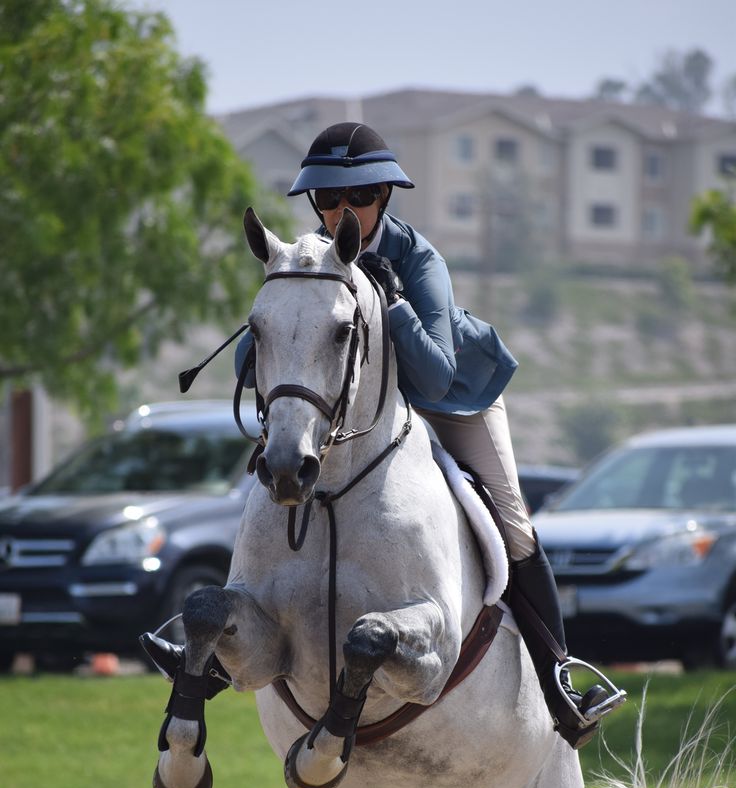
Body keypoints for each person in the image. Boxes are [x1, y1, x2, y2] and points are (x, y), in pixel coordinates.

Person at [143, 122, 625, 749]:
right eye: (328, 200)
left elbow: (433, 376)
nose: (343, 211)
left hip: (452, 399)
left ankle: (559, 679)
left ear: (384, 199)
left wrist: (393, 306)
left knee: (511, 521)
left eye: (361, 198)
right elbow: (255, 368)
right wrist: (274, 322)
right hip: (348, 408)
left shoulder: (419, 259)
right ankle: (209, 651)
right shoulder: (310, 261)